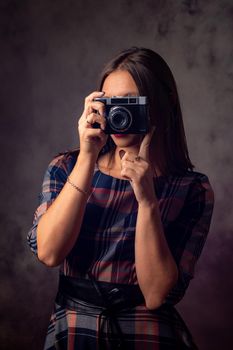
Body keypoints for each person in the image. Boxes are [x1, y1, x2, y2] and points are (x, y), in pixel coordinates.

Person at [27, 47, 214, 350]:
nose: (118, 113)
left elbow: (155, 295)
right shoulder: (65, 168)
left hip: (147, 335)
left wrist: (148, 201)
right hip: (74, 329)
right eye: (109, 102)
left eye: (129, 102)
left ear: (161, 106)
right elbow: (49, 254)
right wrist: (87, 157)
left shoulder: (191, 189)